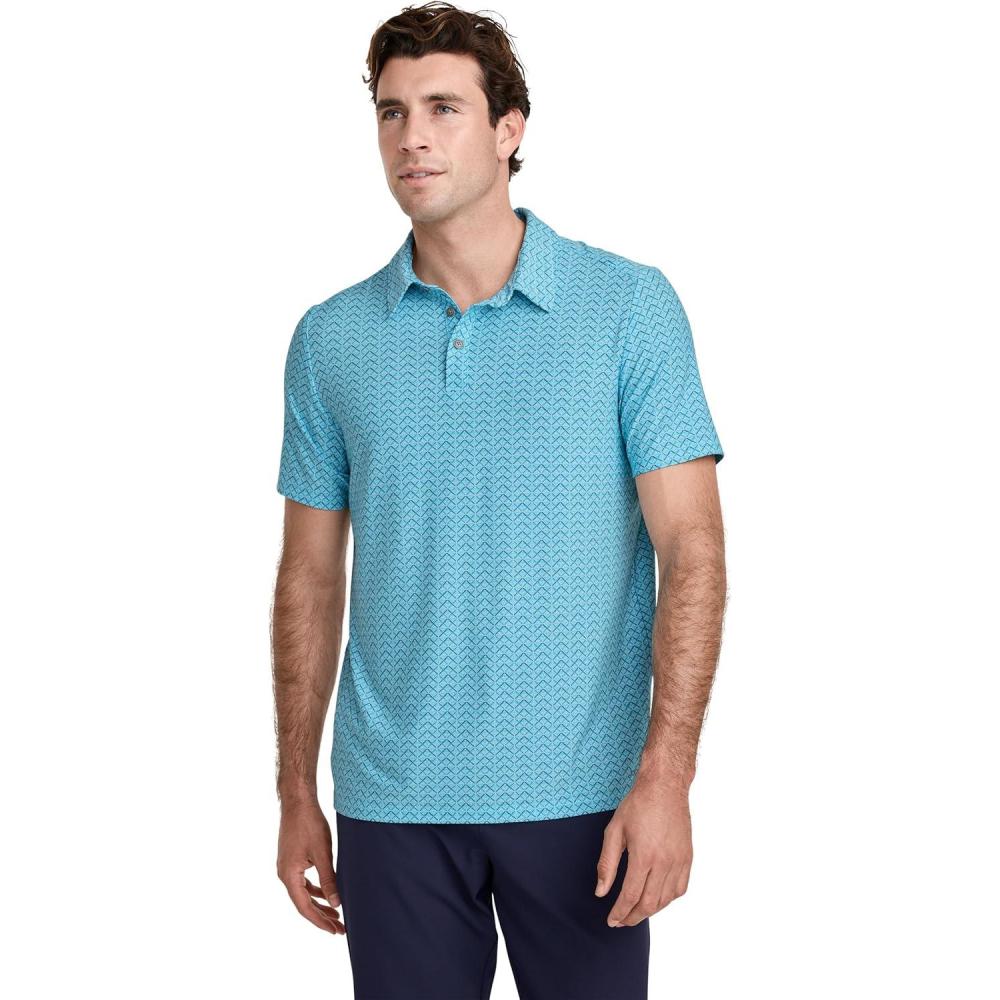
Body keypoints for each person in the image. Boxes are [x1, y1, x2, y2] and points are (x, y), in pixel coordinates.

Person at [270, 4, 727, 997]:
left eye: (444, 108)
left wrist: (666, 777)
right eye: (392, 112)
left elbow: (691, 548)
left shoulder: (627, 308)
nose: (413, 137)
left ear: (509, 129)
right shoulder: (330, 338)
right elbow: (309, 577)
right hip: (391, 804)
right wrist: (294, 789)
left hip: (584, 797)